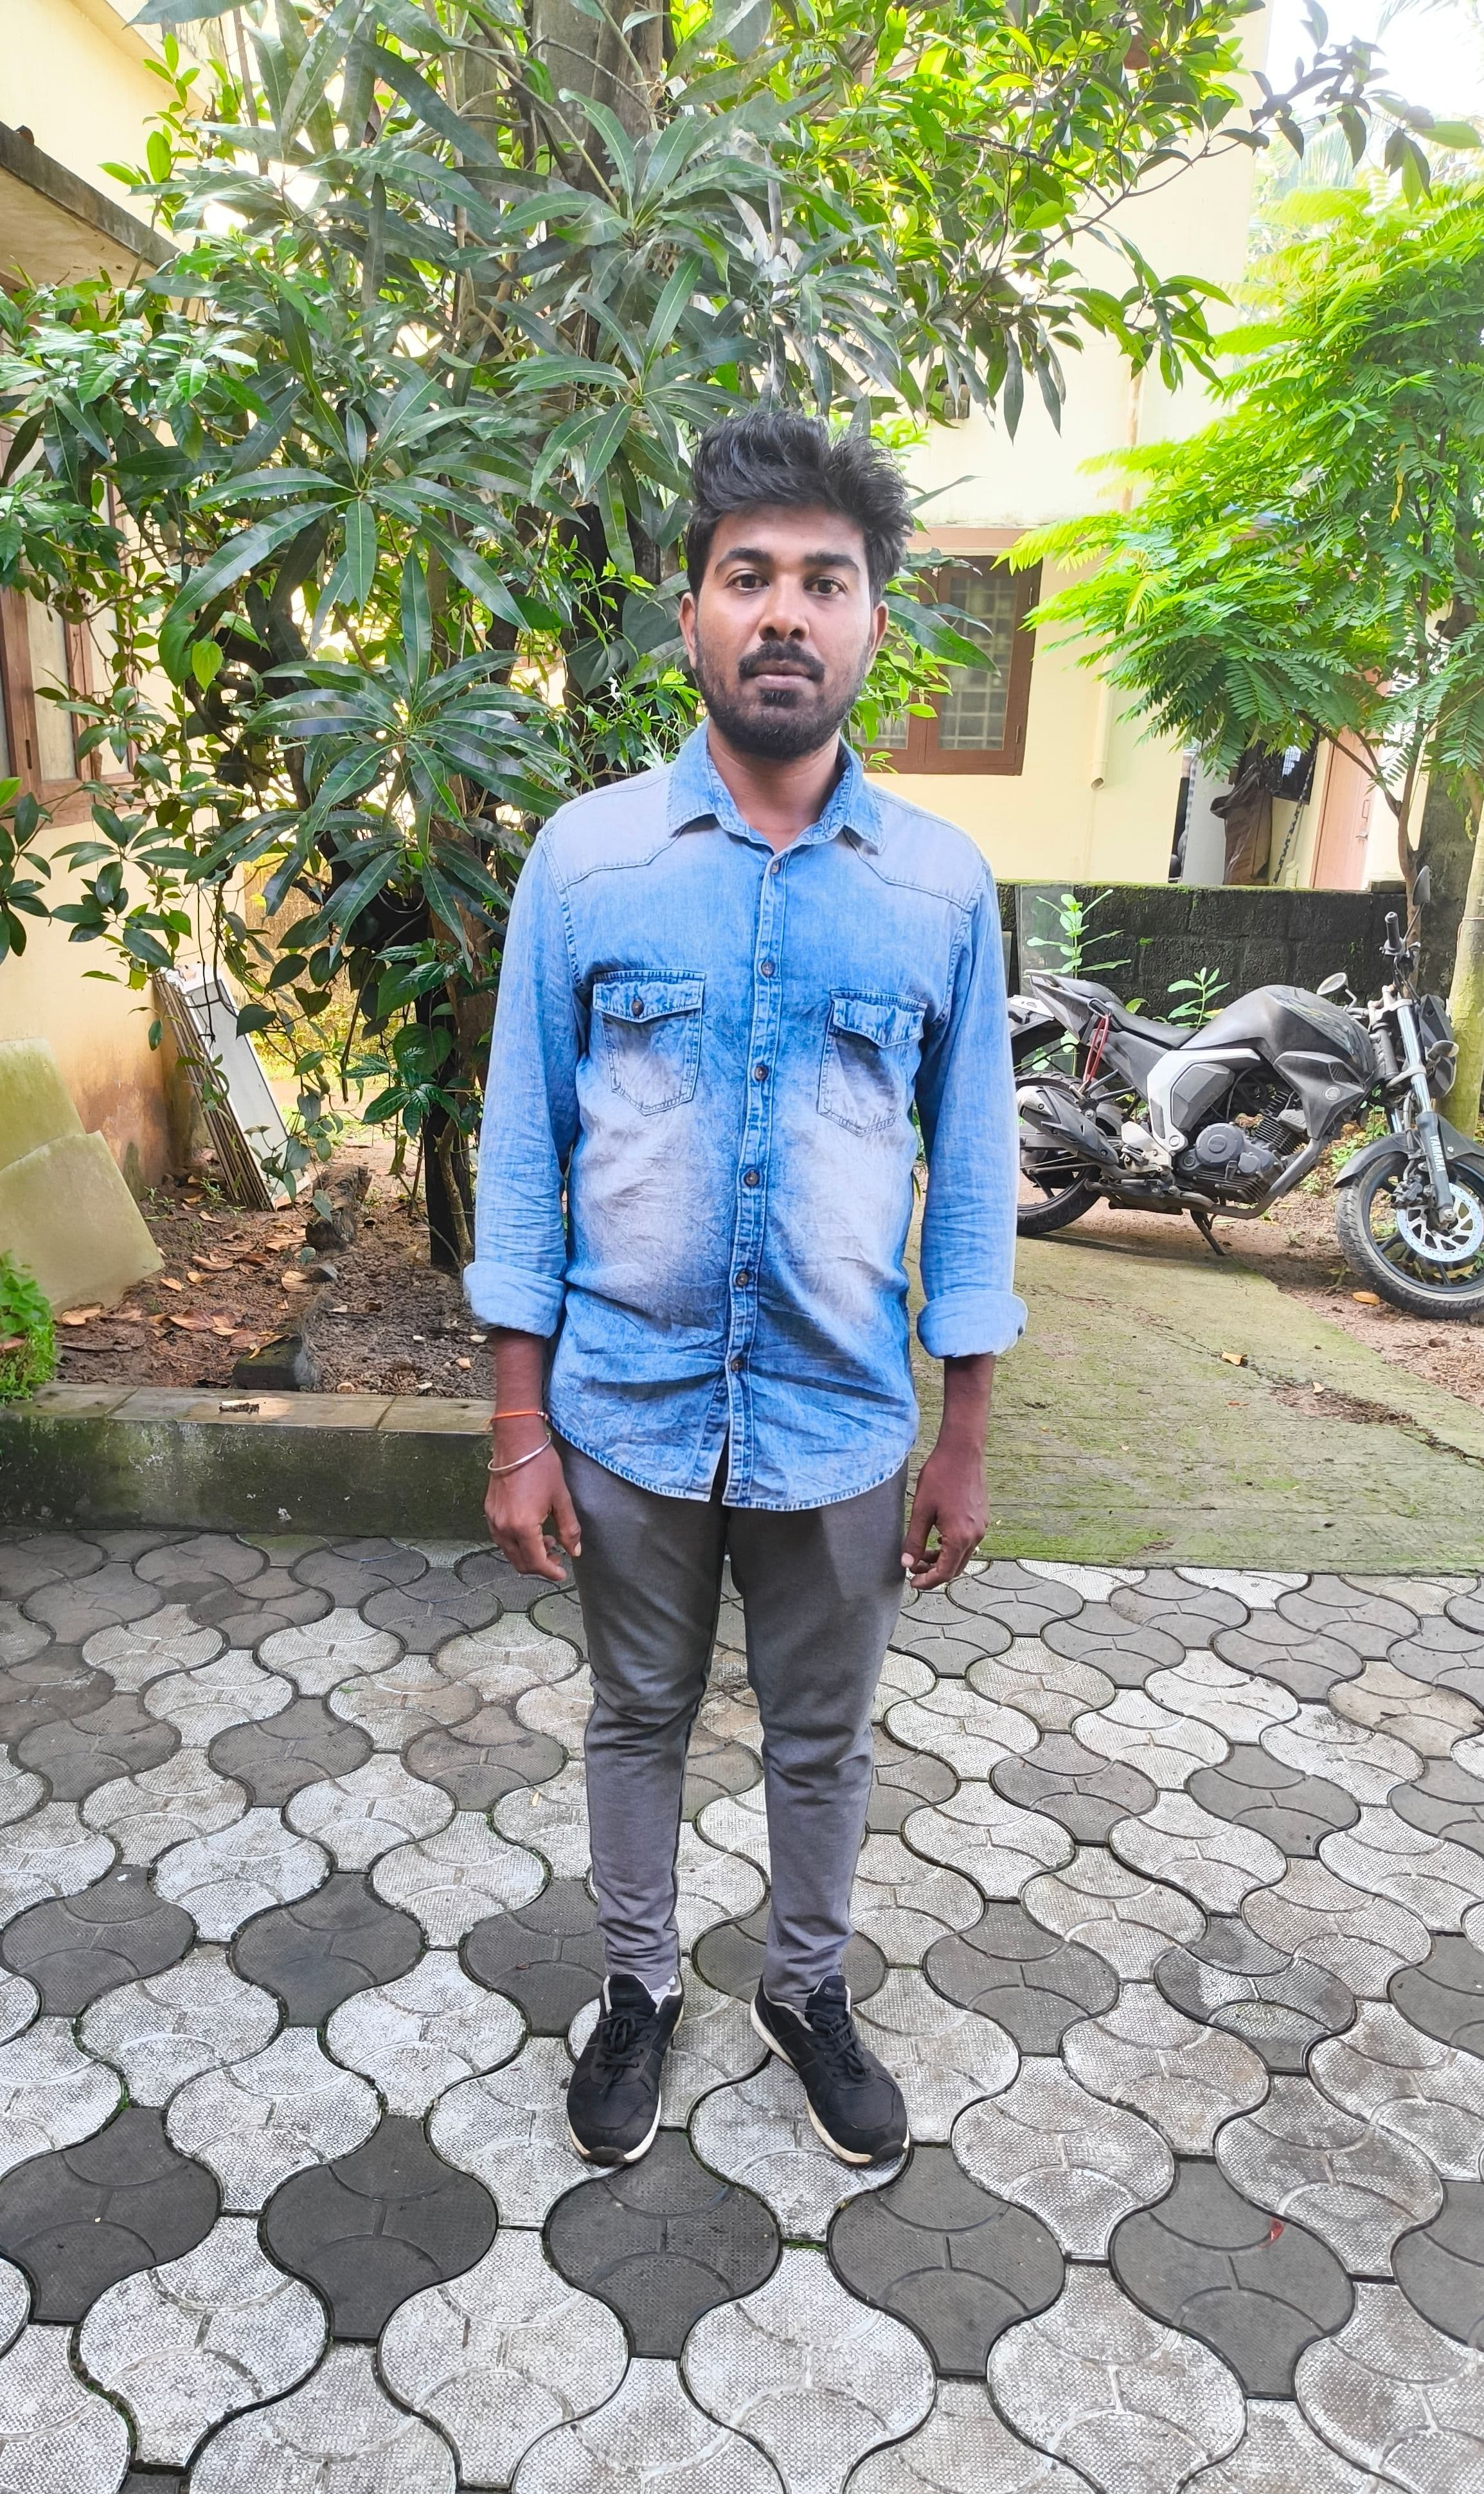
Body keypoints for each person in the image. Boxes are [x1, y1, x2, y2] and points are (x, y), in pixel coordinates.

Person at [466, 408, 1024, 2171]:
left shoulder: (939, 887)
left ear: (874, 622)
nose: (785, 613)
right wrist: (516, 1427)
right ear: (693, 614)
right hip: (623, 1416)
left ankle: (805, 1988)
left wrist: (964, 1436)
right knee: (635, 1715)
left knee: (822, 1739)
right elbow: (527, 1154)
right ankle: (638, 1988)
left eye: (824, 582)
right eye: (748, 576)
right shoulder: (589, 863)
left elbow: (975, 1176)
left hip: (842, 1421)